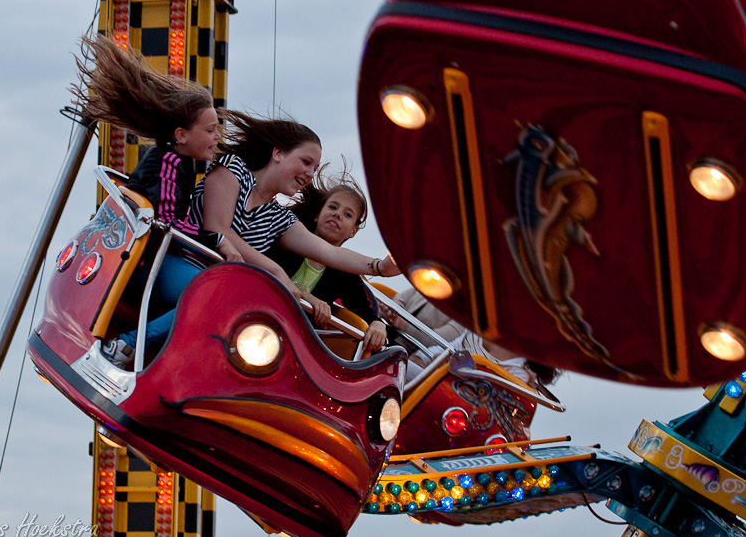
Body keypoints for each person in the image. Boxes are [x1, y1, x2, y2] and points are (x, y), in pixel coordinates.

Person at [70, 35, 241, 368]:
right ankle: (128, 346)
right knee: (213, 294)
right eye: (210, 131)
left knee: (218, 286)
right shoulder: (167, 163)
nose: (217, 137)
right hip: (142, 262)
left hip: (151, 258)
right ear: (181, 135)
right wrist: (216, 240)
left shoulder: (179, 162)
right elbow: (165, 222)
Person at [187, 109, 400, 298]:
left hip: (223, 288)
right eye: (306, 162)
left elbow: (329, 252)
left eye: (314, 169)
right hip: (188, 268)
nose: (310, 174)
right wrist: (275, 270)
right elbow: (217, 229)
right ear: (278, 153)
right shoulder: (234, 169)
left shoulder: (278, 217)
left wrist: (380, 267)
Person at [265, 173, 388, 354]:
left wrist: (378, 324)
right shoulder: (286, 238)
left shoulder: (344, 272)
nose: (337, 214)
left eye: (347, 214)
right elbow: (262, 271)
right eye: (332, 207)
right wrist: (307, 298)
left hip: (289, 342)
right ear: (317, 215)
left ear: (353, 231)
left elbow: (364, 311)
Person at [382, 288, 559, 388]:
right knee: (394, 365)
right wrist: (424, 359)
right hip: (427, 376)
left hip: (449, 397)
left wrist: (443, 368)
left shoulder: (518, 370)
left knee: (392, 367)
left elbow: (480, 395)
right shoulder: (482, 332)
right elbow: (442, 350)